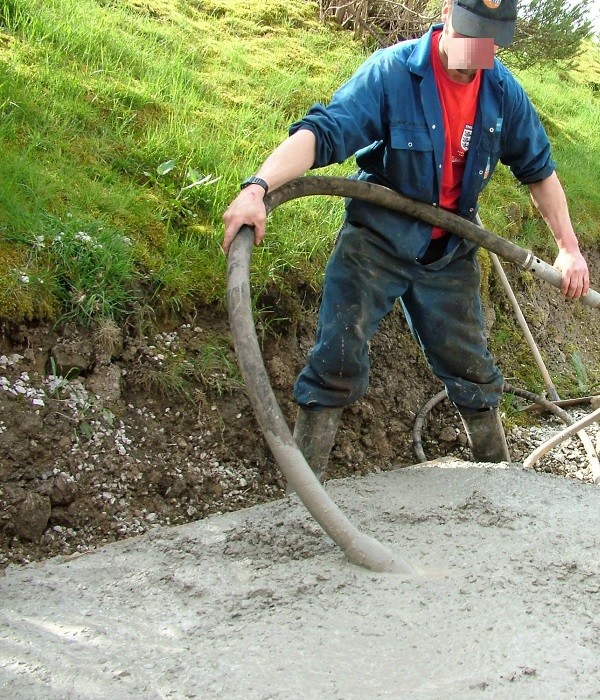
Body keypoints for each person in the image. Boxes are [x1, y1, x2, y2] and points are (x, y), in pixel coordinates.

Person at [223, 0, 590, 476]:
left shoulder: (501, 92)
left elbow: (539, 171)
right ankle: (304, 494)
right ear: (445, 13)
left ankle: (502, 485)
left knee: (473, 372)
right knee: (336, 358)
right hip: (376, 244)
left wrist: (569, 248)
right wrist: (259, 187)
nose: (478, 49)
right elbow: (324, 132)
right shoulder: (394, 73)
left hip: (449, 254)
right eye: (472, 32)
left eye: (492, 40)